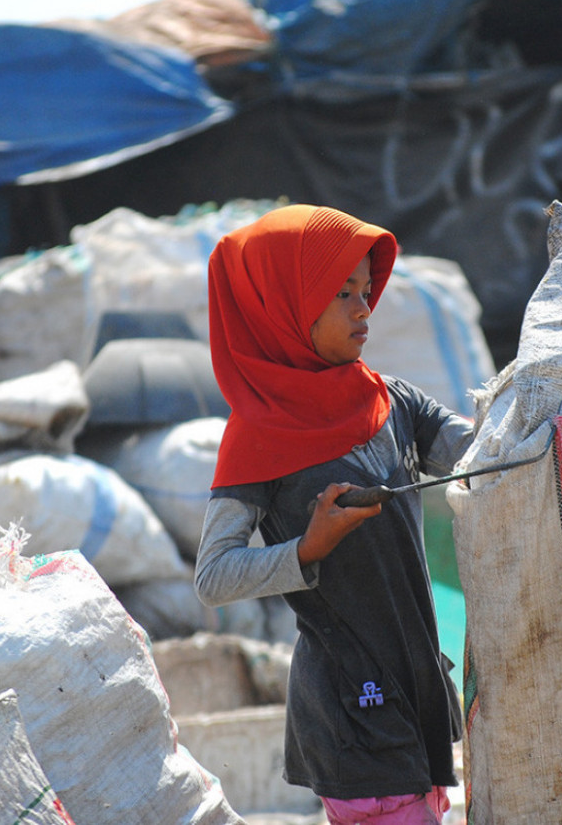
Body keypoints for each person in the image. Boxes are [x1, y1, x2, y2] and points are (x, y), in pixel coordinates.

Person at [194, 204, 473, 824]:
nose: (362, 309)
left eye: (366, 291)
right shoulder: (258, 436)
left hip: (416, 678)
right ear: (285, 307)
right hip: (351, 703)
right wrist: (306, 549)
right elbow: (213, 577)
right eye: (341, 292)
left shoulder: (389, 399)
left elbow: (485, 450)